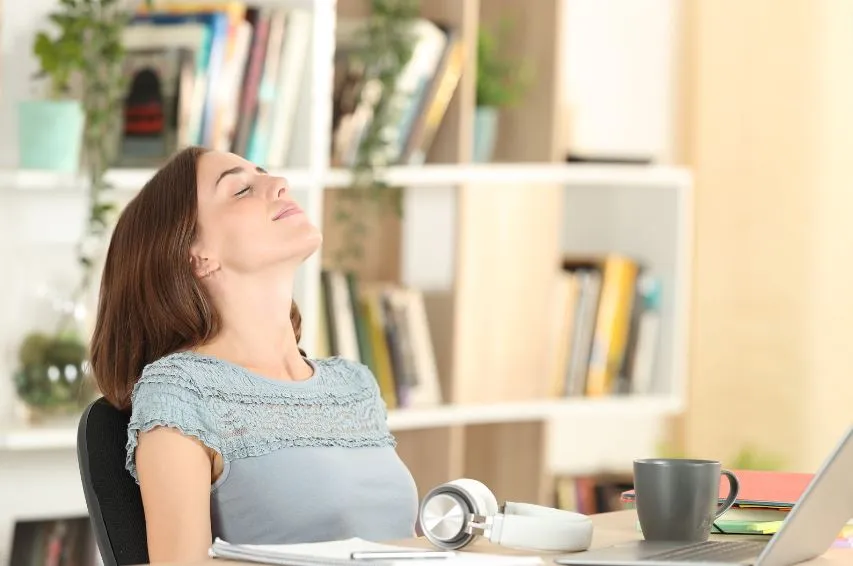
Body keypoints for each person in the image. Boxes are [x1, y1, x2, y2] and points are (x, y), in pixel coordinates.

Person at [88, 146, 419, 563]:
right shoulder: (180, 391)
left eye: (267, 174)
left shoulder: (354, 386)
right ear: (197, 254)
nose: (279, 184)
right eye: (242, 190)